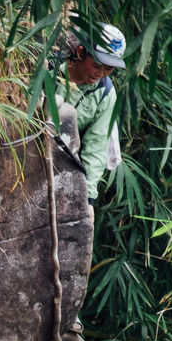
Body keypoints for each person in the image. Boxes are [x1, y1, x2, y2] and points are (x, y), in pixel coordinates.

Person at [57, 23, 127, 221]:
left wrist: (88, 198)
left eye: (108, 69)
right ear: (80, 52)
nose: (100, 74)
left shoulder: (105, 93)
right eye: (96, 65)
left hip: (64, 163)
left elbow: (95, 148)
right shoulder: (52, 65)